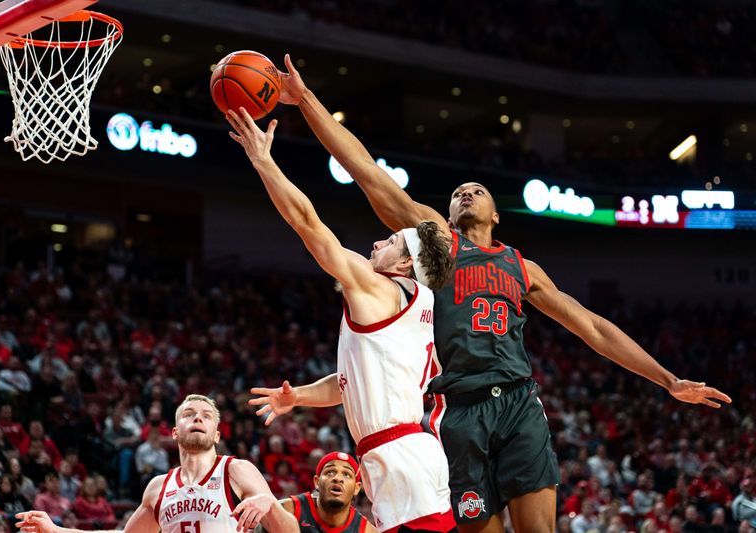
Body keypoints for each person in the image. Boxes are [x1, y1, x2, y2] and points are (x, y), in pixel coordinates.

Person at [273, 54, 733, 533]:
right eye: (458, 193)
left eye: (477, 190)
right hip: (456, 412)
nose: (466, 193)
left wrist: (668, 380)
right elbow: (365, 169)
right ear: (446, 217)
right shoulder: (437, 246)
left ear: (497, 215)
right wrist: (305, 100)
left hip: (516, 403)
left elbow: (592, 326)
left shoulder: (521, 266)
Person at [227, 108, 455, 533]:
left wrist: (263, 160)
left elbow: (308, 224)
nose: (375, 242)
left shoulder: (378, 288)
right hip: (402, 455)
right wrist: (299, 398)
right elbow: (351, 381)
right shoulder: (417, 302)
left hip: (401, 458)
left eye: (388, 241)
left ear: (407, 263)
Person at [16, 394, 299, 533]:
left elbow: (290, 532)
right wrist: (57, 530)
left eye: (206, 415)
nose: (197, 418)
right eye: (188, 414)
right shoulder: (157, 487)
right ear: (174, 433)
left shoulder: (236, 470)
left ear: (216, 435)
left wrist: (270, 503)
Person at [276, 452, 374, 533]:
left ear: (357, 488)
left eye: (346, 474)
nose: (338, 478)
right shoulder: (286, 510)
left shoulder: (366, 530)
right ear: (317, 482)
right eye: (330, 472)